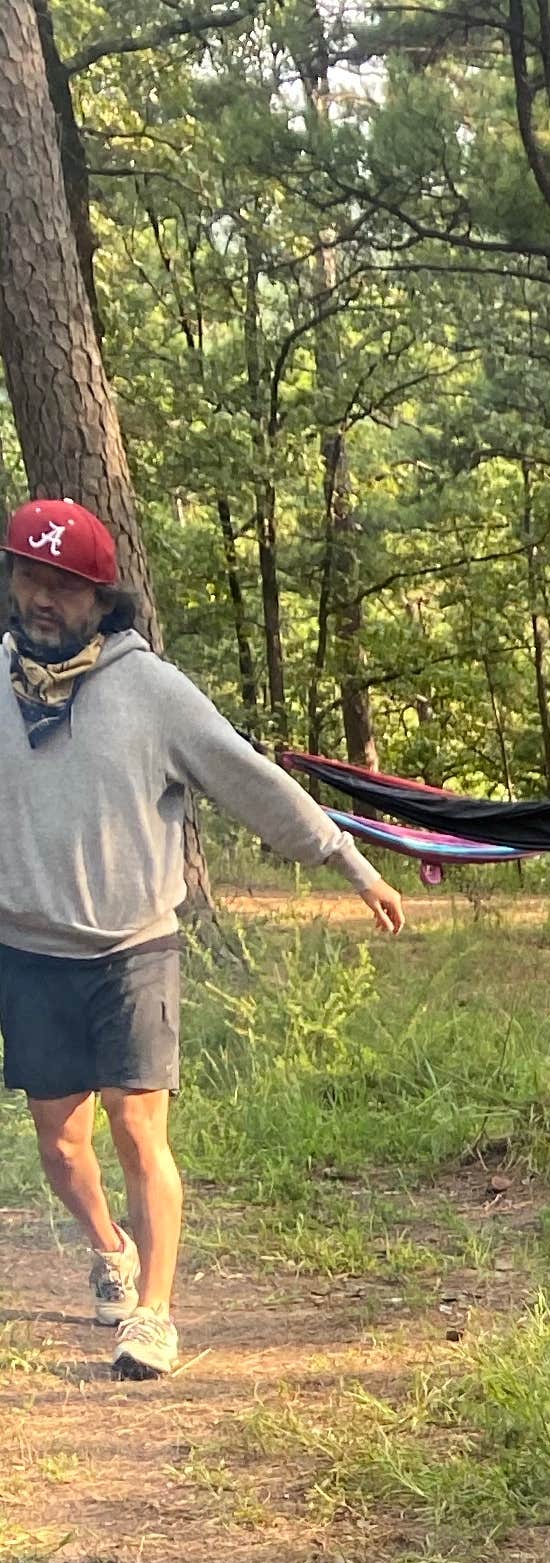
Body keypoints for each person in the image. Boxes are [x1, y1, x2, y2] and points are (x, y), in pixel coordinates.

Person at [0, 493, 407, 1381]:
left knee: (136, 1127)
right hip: (28, 950)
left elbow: (246, 777)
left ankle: (153, 1313)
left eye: (63, 586)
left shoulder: (149, 690)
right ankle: (108, 1248)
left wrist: (349, 860)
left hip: (134, 945)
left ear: (103, 601)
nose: (42, 597)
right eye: (30, 575)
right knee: (61, 1146)